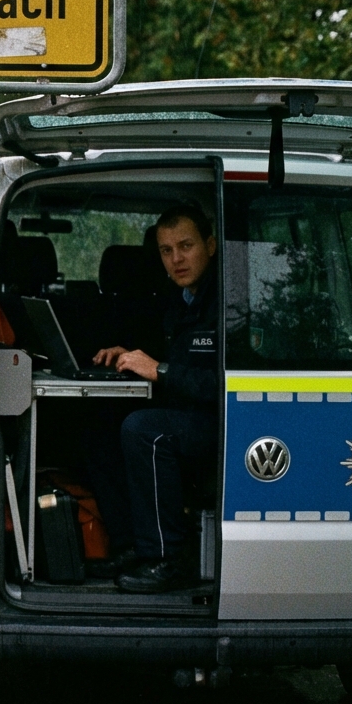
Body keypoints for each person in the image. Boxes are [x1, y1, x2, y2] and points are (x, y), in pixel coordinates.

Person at [86, 206, 219, 594]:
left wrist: (159, 370)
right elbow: (181, 360)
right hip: (187, 414)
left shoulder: (228, 302)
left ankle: (167, 558)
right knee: (103, 428)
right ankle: (131, 545)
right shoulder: (179, 300)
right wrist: (130, 355)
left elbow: (223, 384)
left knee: (145, 430)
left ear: (210, 246)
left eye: (186, 246)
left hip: (228, 422)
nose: (177, 259)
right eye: (166, 250)